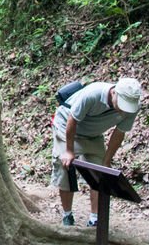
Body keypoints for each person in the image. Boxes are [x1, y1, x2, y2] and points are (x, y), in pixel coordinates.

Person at [51, 77, 143, 227]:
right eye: (122, 104)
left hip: (93, 134)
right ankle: (67, 215)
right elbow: (72, 119)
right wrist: (69, 151)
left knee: (100, 173)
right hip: (66, 125)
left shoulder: (133, 107)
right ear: (114, 93)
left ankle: (95, 218)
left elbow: (119, 133)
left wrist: (107, 161)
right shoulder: (92, 94)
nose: (123, 109)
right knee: (65, 167)